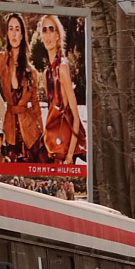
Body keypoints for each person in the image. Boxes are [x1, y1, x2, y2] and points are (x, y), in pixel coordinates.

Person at [0, 13, 46, 163]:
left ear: (22, 35)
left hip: (30, 133)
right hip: (10, 131)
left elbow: (36, 105)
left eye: (17, 29)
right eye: (11, 29)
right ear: (7, 33)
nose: (14, 33)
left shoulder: (31, 71)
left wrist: (42, 131)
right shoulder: (2, 60)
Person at [37, 13, 86, 166]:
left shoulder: (62, 68)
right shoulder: (47, 73)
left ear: (58, 35)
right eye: (44, 30)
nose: (48, 34)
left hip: (65, 152)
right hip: (53, 147)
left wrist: (70, 156)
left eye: (51, 29)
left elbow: (75, 117)